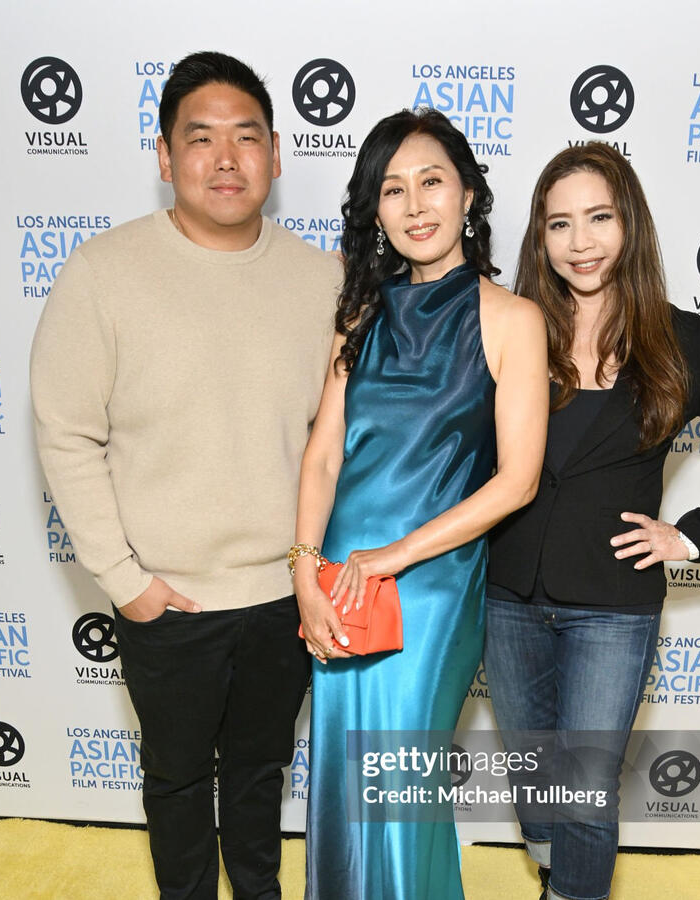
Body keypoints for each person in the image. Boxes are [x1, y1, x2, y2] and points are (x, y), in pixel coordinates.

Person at [30, 51, 341, 899]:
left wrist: (313, 573)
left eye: (247, 137)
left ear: (276, 154)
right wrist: (127, 583)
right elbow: (65, 434)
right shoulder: (102, 274)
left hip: (282, 595)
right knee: (174, 782)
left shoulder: (326, 282)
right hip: (168, 600)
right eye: (201, 139)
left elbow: (339, 443)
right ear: (166, 158)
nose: (227, 157)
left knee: (258, 774)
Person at [485, 142, 700, 900]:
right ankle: (552, 864)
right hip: (507, 595)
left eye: (599, 218)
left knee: (586, 794)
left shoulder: (679, 338)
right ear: (539, 237)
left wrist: (690, 534)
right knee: (537, 790)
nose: (580, 242)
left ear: (632, 224)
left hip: (613, 605)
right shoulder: (513, 325)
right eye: (560, 225)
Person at [292, 108, 549, 899]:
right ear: (375, 212)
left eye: (431, 181)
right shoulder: (359, 318)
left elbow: (518, 481)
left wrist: (391, 560)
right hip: (338, 581)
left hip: (430, 587)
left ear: (467, 193)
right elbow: (324, 455)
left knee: (400, 787)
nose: (415, 205)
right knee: (343, 779)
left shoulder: (510, 319)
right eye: (392, 190)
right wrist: (307, 571)